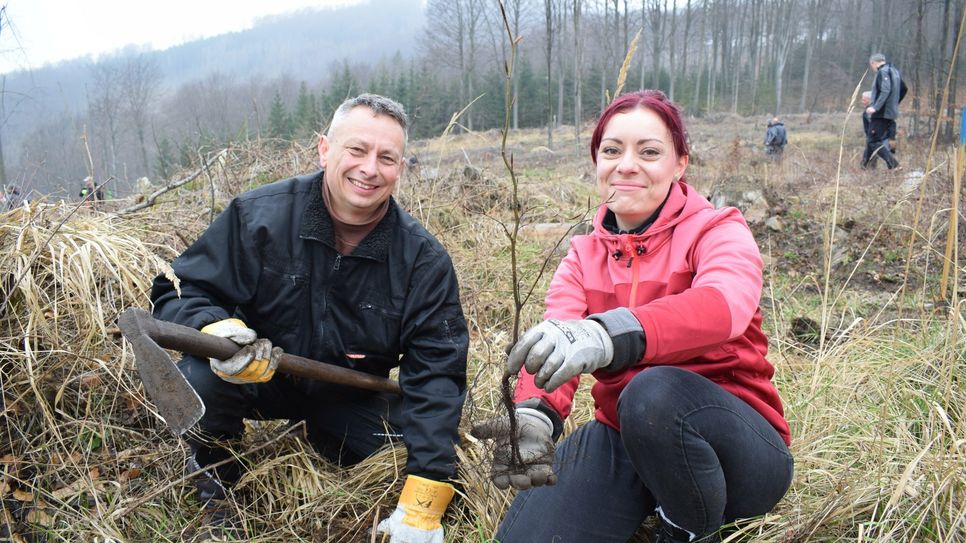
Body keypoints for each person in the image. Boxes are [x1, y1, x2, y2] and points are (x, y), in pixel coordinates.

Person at [472, 90, 793, 543]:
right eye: (611, 151)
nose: (626, 165)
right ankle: (650, 498)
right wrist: (534, 413)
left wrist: (610, 334)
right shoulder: (583, 257)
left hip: (736, 454)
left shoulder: (717, 229)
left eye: (649, 152)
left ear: (680, 163)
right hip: (627, 437)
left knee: (652, 392)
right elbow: (555, 339)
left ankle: (686, 528)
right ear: (597, 162)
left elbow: (725, 306)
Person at [150, 94, 468, 542]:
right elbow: (179, 288)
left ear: (400, 167)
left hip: (349, 391)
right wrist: (219, 330)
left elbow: (437, 373)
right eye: (356, 150)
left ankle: (325, 437)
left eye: (387, 157)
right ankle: (215, 474)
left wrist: (426, 500)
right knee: (201, 377)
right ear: (325, 149)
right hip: (257, 375)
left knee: (410, 457)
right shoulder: (260, 217)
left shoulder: (422, 260)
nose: (369, 168)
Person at [864, 53, 901, 170]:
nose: (872, 68)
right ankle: (865, 166)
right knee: (873, 139)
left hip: (881, 113)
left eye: (871, 66)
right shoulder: (894, 71)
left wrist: (875, 107)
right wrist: (894, 103)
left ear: (873, 63)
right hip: (890, 112)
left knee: (873, 141)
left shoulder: (882, 72)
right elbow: (904, 88)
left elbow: (885, 90)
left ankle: (894, 165)